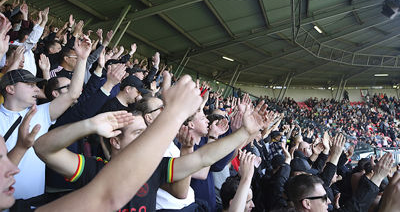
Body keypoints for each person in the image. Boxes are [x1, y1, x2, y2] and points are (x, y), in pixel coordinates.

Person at [33, 75, 273, 211]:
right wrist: (89, 125)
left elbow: (203, 159)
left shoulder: (154, 168)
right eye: (138, 134)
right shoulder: (93, 168)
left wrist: (244, 132)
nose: (146, 140)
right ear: (115, 141)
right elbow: (43, 148)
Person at [0, 35, 90, 199]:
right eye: (29, 85)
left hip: (36, 203)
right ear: (10, 89)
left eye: (35, 85)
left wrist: (82, 59)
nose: (36, 90)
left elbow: (73, 93)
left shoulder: (40, 112)